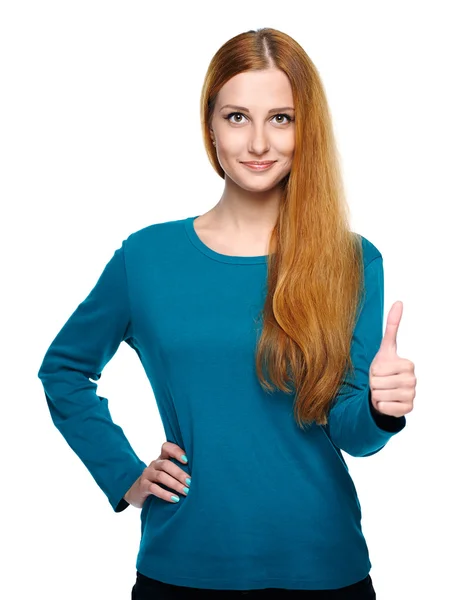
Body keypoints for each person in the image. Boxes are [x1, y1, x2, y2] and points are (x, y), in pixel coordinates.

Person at [37, 27, 416, 599]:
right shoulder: (147, 258)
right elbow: (64, 370)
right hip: (182, 566)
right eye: (237, 117)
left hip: (322, 568)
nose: (259, 142)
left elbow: (351, 433)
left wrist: (381, 408)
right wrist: (125, 475)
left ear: (305, 128)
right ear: (210, 126)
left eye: (281, 119)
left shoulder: (351, 260)